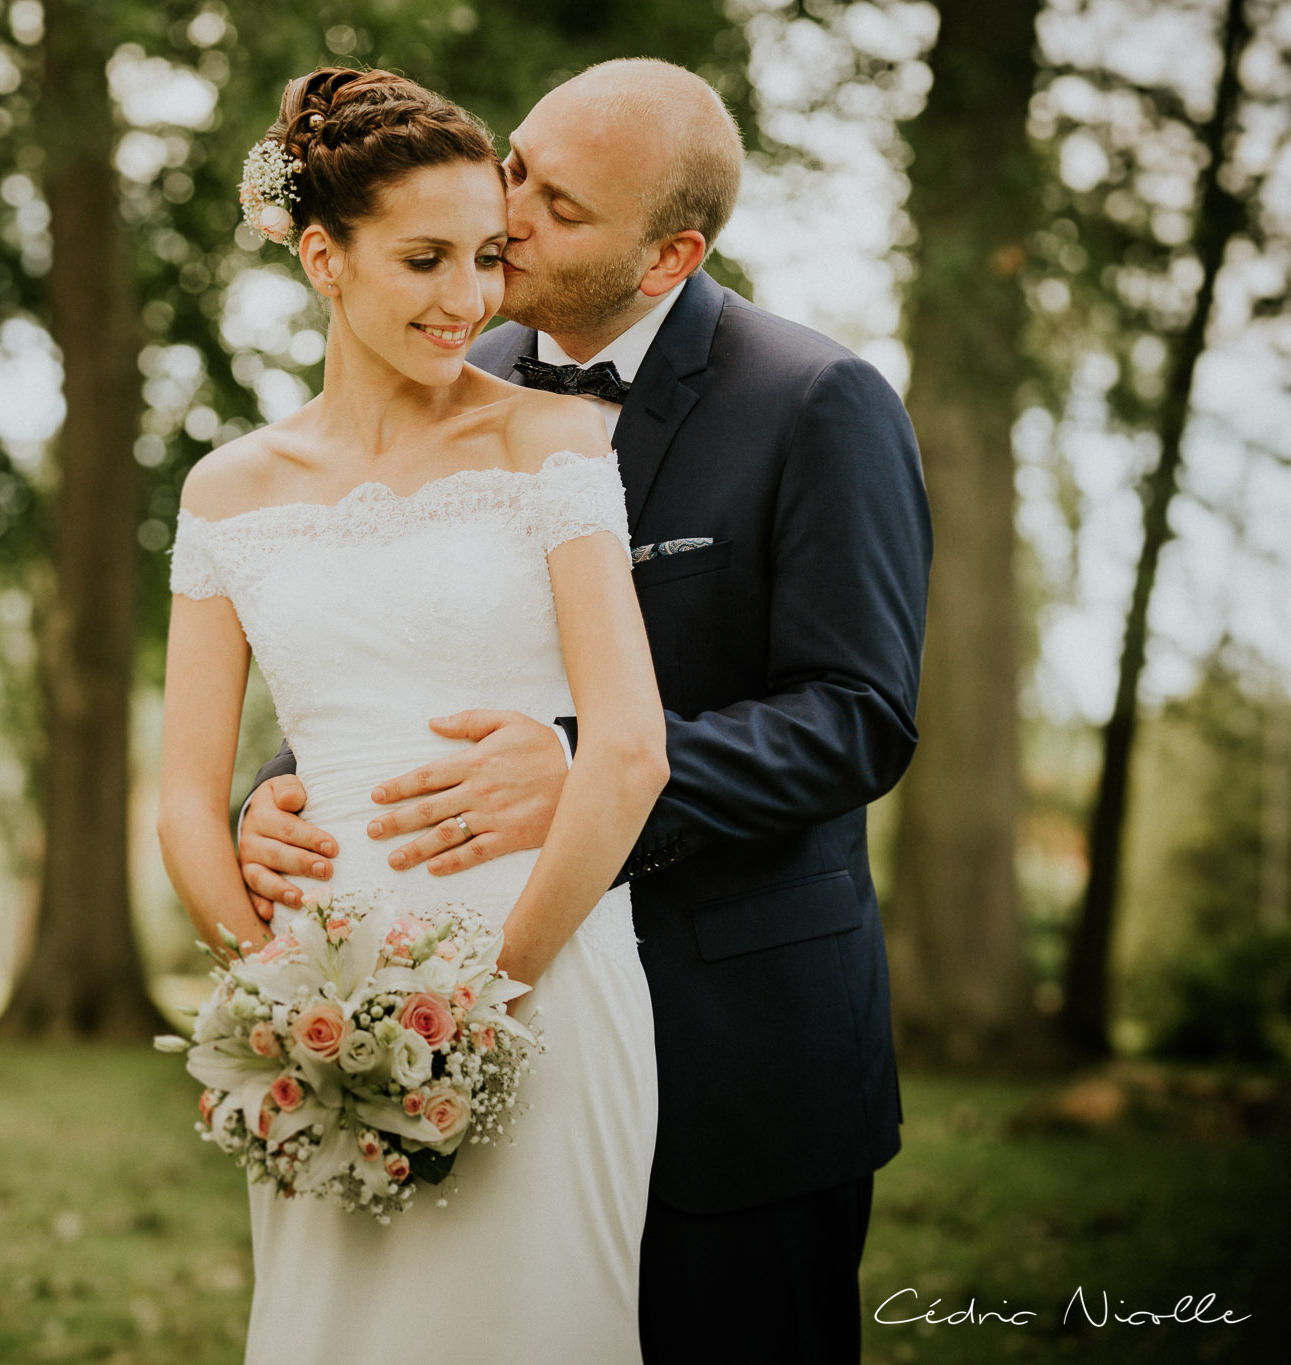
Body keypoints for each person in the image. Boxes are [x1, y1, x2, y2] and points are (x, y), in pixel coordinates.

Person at [235, 59, 932, 1363]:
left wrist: (588, 769)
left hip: (737, 1049)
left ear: (670, 253)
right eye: (515, 167)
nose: (505, 217)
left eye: (555, 205)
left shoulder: (817, 403)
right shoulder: (450, 368)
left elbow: (859, 714)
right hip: (480, 1035)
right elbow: (386, 634)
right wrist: (276, 797)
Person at [158, 67, 667, 1362]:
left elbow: (626, 751)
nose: (469, 299)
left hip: (540, 977)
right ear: (324, 257)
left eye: (488, 257)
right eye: (425, 258)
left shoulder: (555, 445)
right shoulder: (228, 491)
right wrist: (278, 1007)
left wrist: (479, 1011)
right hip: (323, 1013)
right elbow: (181, 793)